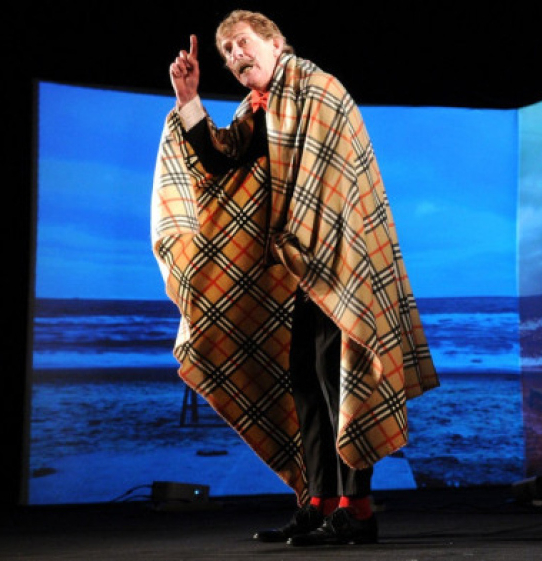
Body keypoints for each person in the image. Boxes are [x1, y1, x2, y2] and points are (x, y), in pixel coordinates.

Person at [152, 9, 439, 546]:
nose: (236, 56)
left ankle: (357, 512)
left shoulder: (318, 90)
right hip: (306, 269)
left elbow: (329, 178)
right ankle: (319, 503)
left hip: (341, 262)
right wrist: (188, 99)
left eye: (242, 43)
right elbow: (222, 162)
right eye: (227, 53)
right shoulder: (261, 107)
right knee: (306, 383)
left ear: (275, 42)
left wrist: (303, 240)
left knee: (342, 379)